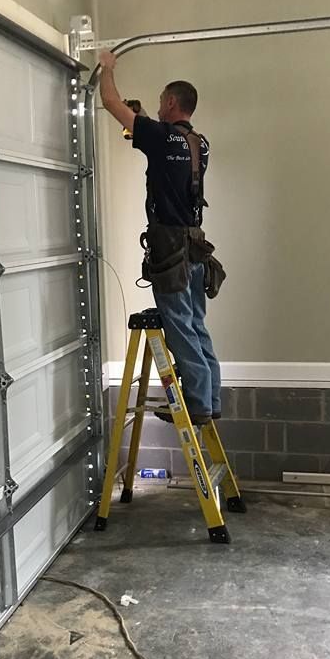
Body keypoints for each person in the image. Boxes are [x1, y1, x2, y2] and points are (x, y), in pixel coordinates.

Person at [98, 50, 224, 425]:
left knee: (179, 324)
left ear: (170, 102)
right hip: (195, 245)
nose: (157, 107)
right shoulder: (199, 144)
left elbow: (109, 101)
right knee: (196, 323)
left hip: (169, 247)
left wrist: (107, 67)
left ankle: (197, 404)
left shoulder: (157, 135)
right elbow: (171, 156)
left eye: (159, 102)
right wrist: (144, 125)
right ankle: (210, 398)